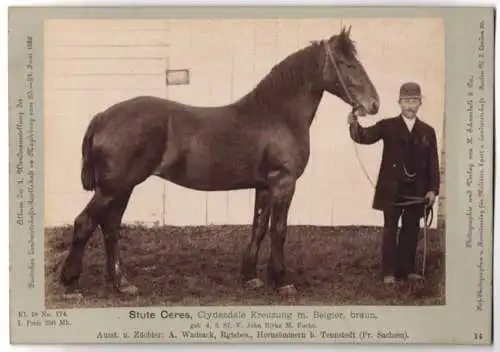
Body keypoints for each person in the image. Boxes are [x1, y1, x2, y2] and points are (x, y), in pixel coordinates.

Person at [347, 82, 440, 284]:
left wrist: (432, 190)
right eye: (406, 101)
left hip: (417, 191)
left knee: (411, 229)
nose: (410, 105)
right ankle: (388, 272)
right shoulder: (387, 126)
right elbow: (363, 137)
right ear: (399, 103)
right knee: (390, 228)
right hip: (392, 190)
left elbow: (433, 163)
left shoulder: (428, 131)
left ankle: (406, 271)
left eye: (414, 101)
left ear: (420, 103)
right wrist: (354, 124)